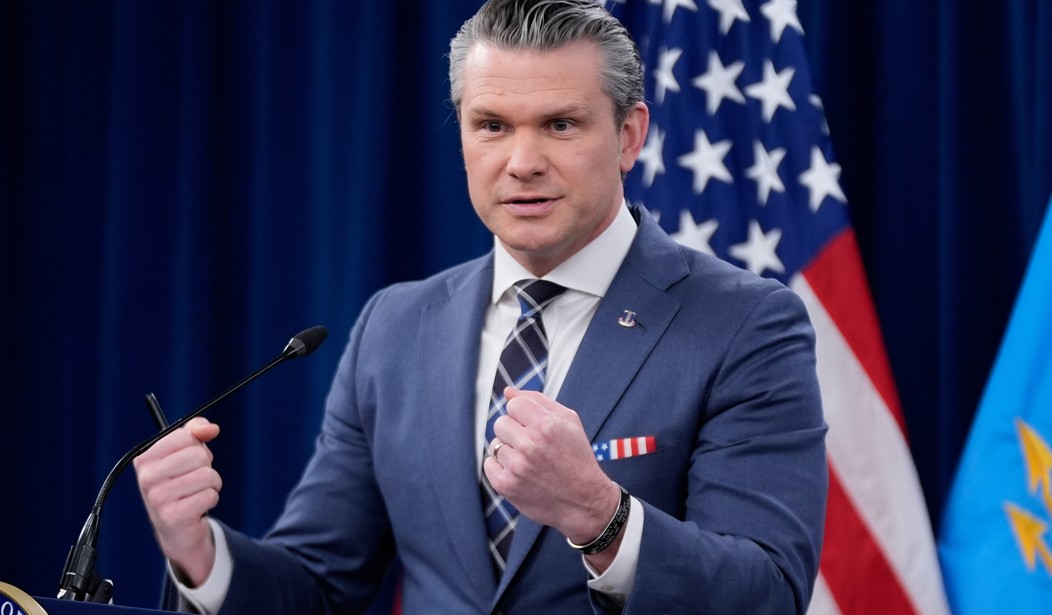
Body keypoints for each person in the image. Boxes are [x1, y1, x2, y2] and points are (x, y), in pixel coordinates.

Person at [133, 0, 828, 612]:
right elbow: (319, 586)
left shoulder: (745, 325)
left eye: (560, 124)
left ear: (629, 136)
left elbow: (766, 593)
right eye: (492, 125)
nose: (522, 161)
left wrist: (600, 514)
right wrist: (199, 552)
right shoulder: (394, 327)